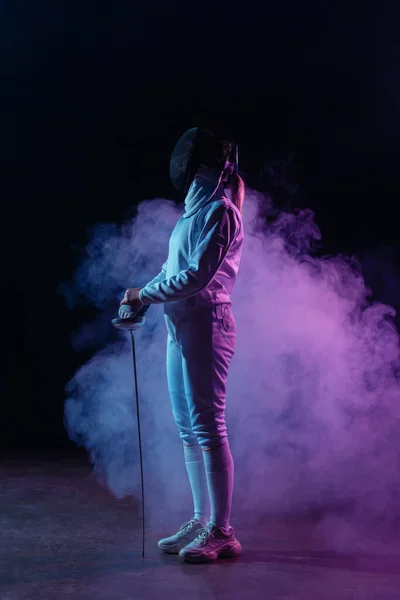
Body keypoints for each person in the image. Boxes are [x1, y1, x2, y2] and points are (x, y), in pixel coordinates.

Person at [120, 128, 245, 563]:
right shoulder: (190, 216)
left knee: (210, 427)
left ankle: (222, 531)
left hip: (208, 324)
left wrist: (144, 295)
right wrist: (140, 296)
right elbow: (170, 270)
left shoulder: (222, 212)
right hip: (182, 325)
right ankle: (200, 518)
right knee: (188, 429)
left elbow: (197, 278)